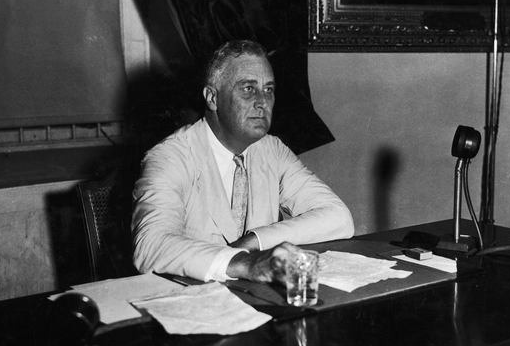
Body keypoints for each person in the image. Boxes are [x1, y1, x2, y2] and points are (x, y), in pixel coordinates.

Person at [131, 40, 354, 284]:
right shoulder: (169, 157)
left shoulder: (272, 149)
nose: (262, 102)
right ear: (212, 98)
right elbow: (150, 246)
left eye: (268, 89)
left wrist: (255, 241)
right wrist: (247, 263)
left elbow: (338, 217)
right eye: (248, 89)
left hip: (252, 302)